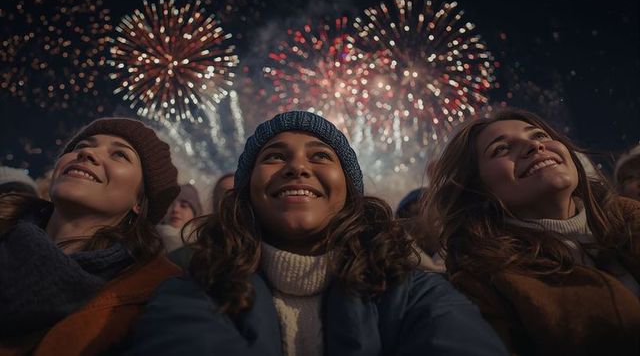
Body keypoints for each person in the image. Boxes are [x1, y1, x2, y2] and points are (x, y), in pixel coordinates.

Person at [124, 110, 507, 355]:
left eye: (320, 156)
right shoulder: (194, 284)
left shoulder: (414, 290)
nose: (297, 168)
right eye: (275, 156)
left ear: (348, 189)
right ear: (247, 192)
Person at [422, 108, 640, 355]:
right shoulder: (483, 283)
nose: (535, 147)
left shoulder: (631, 216)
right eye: (501, 149)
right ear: (477, 189)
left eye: (539, 135)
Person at [0, 118, 182, 355]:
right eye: (80, 146)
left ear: (140, 202)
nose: (87, 153)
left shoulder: (156, 296)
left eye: (120, 155)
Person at [157, 184, 203, 252]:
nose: (175, 209)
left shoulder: (200, 247)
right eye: (170, 204)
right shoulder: (149, 240)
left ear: (195, 214)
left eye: (184, 206)